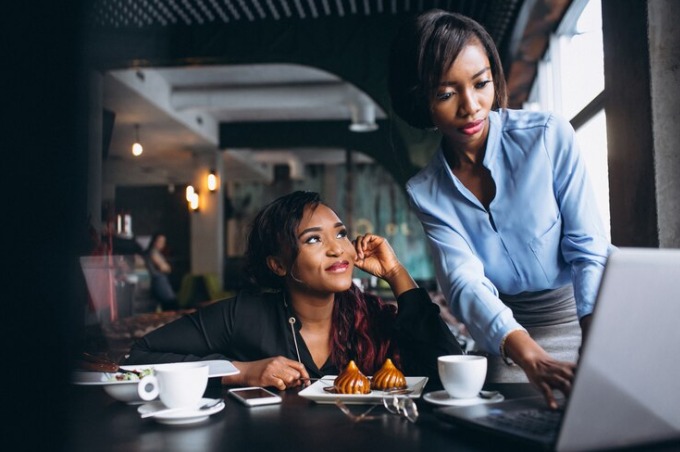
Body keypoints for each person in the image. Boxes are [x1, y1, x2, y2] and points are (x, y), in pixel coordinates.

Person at [388, 10, 614, 408]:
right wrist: (527, 353)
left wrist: (597, 344)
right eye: (446, 94)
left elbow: (588, 248)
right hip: (510, 338)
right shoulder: (426, 192)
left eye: (481, 84)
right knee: (509, 424)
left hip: (591, 318)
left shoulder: (548, 136)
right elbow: (463, 282)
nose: (471, 107)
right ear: (420, 100)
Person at [125, 191, 462, 389]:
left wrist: (395, 272)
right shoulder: (244, 314)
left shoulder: (371, 316)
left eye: (341, 234)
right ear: (279, 265)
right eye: (313, 239)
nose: (336, 249)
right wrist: (243, 371)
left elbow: (452, 372)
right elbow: (139, 357)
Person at [145, 232, 178, 311]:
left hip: (161, 281)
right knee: (170, 304)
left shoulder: (157, 253)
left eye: (163, 242)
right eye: (160, 241)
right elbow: (164, 268)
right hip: (159, 281)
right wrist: (167, 267)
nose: (162, 244)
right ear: (154, 241)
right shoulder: (153, 252)